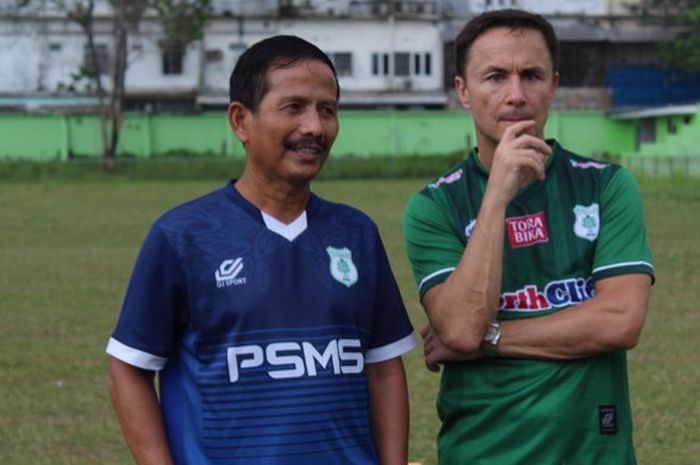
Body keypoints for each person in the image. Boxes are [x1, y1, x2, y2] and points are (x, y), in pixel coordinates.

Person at [106, 35, 416, 465]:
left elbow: (383, 370)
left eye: (327, 110)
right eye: (294, 107)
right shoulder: (184, 235)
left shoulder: (356, 232)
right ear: (240, 121)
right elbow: (129, 369)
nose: (314, 127)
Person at [402, 9, 654, 465]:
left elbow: (620, 320)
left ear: (553, 85)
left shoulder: (607, 186)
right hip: (483, 452)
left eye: (531, 76)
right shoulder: (433, 207)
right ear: (462, 90)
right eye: (495, 77)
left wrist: (491, 337)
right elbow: (459, 328)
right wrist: (497, 196)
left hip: (595, 454)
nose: (516, 95)